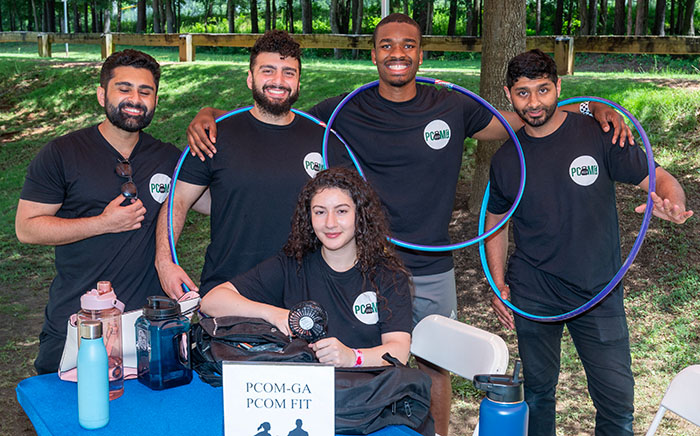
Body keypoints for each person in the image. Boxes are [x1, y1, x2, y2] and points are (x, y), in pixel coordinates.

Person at [185, 14, 632, 435]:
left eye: (408, 45)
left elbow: (525, 119)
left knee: (434, 365)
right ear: (374, 55)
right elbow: (278, 113)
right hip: (366, 266)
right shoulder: (345, 108)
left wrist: (588, 108)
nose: (397, 52)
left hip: (432, 268)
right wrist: (207, 113)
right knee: (359, 356)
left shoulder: (454, 105)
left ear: (421, 54)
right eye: (386, 45)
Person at [484, 49, 693, 436]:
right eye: (523, 93)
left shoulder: (597, 133)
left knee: (616, 403)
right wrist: (497, 283)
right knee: (538, 396)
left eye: (543, 90)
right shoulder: (506, 159)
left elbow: (657, 176)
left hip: (598, 290)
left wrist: (672, 202)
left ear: (559, 87)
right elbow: (494, 223)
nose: (534, 102)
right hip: (534, 291)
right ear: (508, 95)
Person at [14, 49, 208, 375]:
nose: (135, 98)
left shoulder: (169, 159)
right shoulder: (62, 153)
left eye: (145, 91)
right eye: (124, 88)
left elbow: (219, 201)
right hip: (78, 325)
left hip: (149, 327)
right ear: (102, 93)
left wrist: (212, 117)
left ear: (156, 99)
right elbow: (27, 228)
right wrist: (103, 223)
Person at [154, 29, 347, 301]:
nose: (279, 81)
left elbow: (348, 214)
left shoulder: (322, 140)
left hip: (305, 294)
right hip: (228, 293)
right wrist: (164, 263)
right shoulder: (214, 135)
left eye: (289, 73)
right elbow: (177, 201)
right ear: (250, 78)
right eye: (268, 71)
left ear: (299, 82)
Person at [201, 168, 413, 368]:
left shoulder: (388, 275)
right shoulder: (292, 265)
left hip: (368, 394)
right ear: (308, 218)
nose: (330, 223)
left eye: (341, 211)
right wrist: (273, 314)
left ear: (360, 216)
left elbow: (399, 351)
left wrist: (352, 357)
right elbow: (212, 301)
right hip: (305, 394)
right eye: (320, 212)